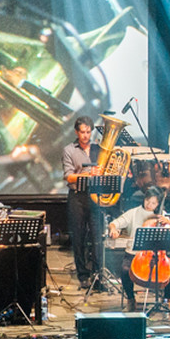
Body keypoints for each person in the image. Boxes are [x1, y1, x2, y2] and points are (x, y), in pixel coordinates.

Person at [106, 188, 170, 311]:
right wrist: (113, 229)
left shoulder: (162, 215)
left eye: (154, 203)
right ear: (144, 199)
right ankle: (131, 300)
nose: (150, 205)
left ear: (158, 204)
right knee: (125, 270)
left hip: (157, 255)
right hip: (134, 254)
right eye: (148, 201)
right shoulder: (133, 213)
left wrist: (169, 224)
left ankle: (167, 300)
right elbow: (114, 223)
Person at [63, 115, 103, 289]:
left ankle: (98, 273)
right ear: (76, 132)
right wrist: (87, 174)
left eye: (88, 132)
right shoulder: (69, 150)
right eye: (83, 132)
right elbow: (68, 175)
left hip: (95, 197)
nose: (86, 136)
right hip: (77, 196)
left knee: (97, 237)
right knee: (78, 237)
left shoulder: (99, 149)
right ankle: (83, 274)